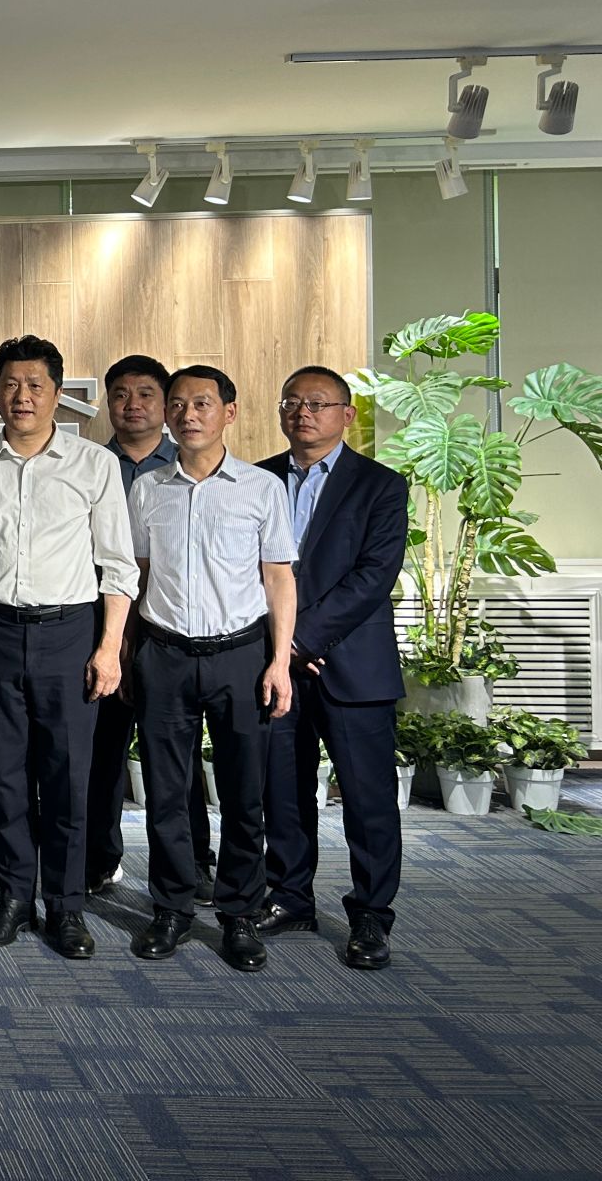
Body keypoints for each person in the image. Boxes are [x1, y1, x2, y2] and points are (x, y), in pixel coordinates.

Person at [0, 335, 137, 959]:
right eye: (9, 385)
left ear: (57, 394)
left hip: (69, 634)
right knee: (1, 777)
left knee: (69, 778)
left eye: (34, 386)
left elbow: (118, 566)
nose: (21, 397)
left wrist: (109, 648)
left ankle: (67, 906)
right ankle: (12, 897)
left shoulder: (93, 464)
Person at [125, 365, 297, 972]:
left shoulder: (261, 488)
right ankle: (171, 907)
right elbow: (137, 576)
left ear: (230, 411)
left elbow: (279, 578)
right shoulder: (147, 488)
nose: (188, 414)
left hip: (240, 656)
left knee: (244, 794)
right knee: (166, 793)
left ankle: (239, 913)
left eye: (202, 403)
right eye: (178, 404)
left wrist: (280, 661)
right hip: (164, 654)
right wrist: (126, 653)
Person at [257, 365, 409, 970]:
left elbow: (374, 576)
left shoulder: (380, 485)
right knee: (282, 790)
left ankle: (371, 915)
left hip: (352, 666)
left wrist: (303, 637)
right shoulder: (258, 479)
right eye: (292, 402)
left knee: (368, 800)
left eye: (317, 403)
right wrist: (281, 647)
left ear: (346, 415)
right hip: (275, 665)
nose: (303, 413)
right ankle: (290, 897)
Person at [87, 354, 217, 899]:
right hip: (101, 633)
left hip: (169, 635)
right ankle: (98, 860)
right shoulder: (90, 465)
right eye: (120, 394)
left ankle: (194, 863)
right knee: (100, 754)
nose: (132, 404)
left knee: (176, 758)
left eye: (145, 394)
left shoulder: (191, 467)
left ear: (166, 406)